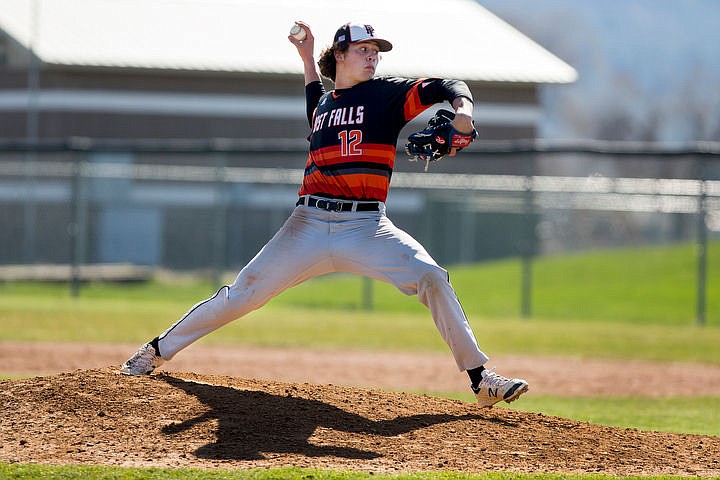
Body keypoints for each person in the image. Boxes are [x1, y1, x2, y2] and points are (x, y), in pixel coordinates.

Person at [121, 21, 529, 407]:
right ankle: (155, 351)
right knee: (242, 295)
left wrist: (464, 111)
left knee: (431, 277)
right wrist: (306, 56)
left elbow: (448, 85)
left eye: (376, 51)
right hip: (307, 225)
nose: (373, 57)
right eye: (363, 49)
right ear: (340, 54)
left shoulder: (386, 95)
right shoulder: (322, 106)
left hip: (367, 227)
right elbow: (314, 95)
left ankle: (481, 380)